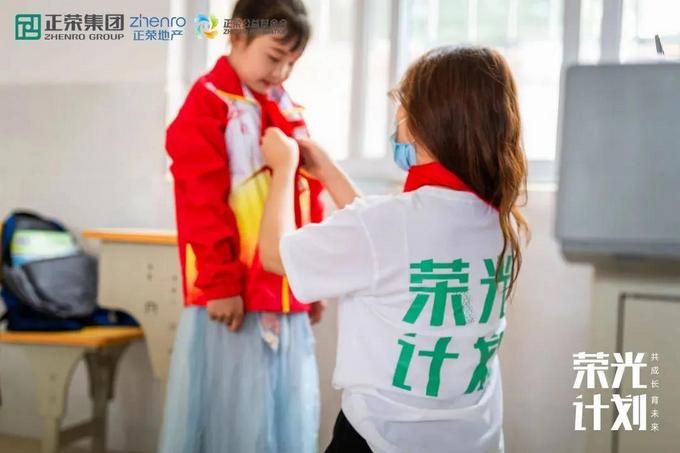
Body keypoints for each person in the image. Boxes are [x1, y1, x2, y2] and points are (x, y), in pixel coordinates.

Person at [258, 46, 530, 453]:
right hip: (474, 439)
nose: (398, 118)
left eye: (403, 108)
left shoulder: (387, 224)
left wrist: (282, 168)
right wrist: (329, 172)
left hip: (378, 438)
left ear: (425, 123)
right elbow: (390, 251)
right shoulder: (502, 221)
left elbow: (275, 255)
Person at [158, 1, 325, 452]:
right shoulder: (209, 105)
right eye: (274, 57)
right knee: (232, 419)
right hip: (233, 294)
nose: (281, 73)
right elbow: (200, 203)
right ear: (236, 35)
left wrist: (311, 279)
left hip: (283, 291)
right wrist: (219, 283)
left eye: (292, 63)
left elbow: (306, 194)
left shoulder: (285, 106)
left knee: (279, 419)